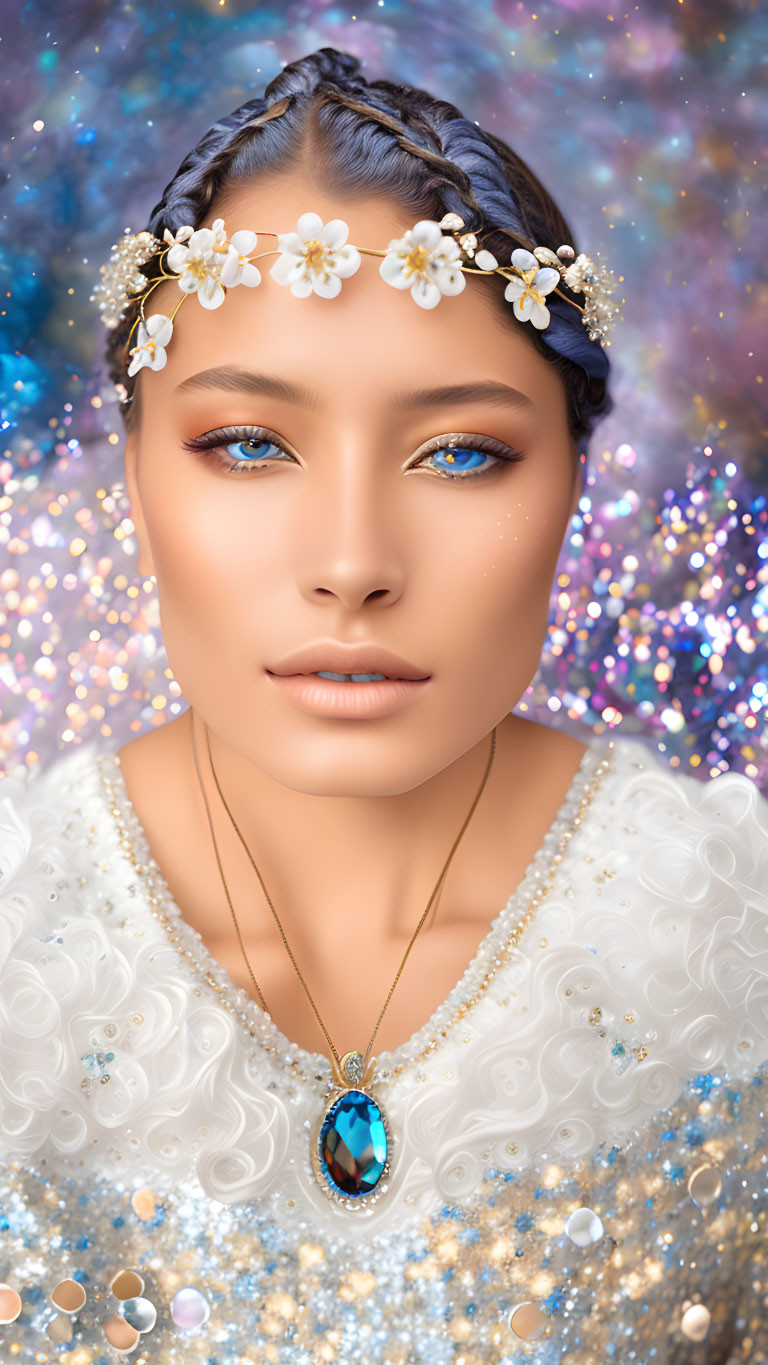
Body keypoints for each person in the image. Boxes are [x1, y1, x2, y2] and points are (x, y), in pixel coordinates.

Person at [1, 44, 766, 1364]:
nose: (352, 560)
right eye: (248, 444)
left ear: (574, 476)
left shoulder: (731, 949)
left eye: (460, 452)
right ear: (132, 462)